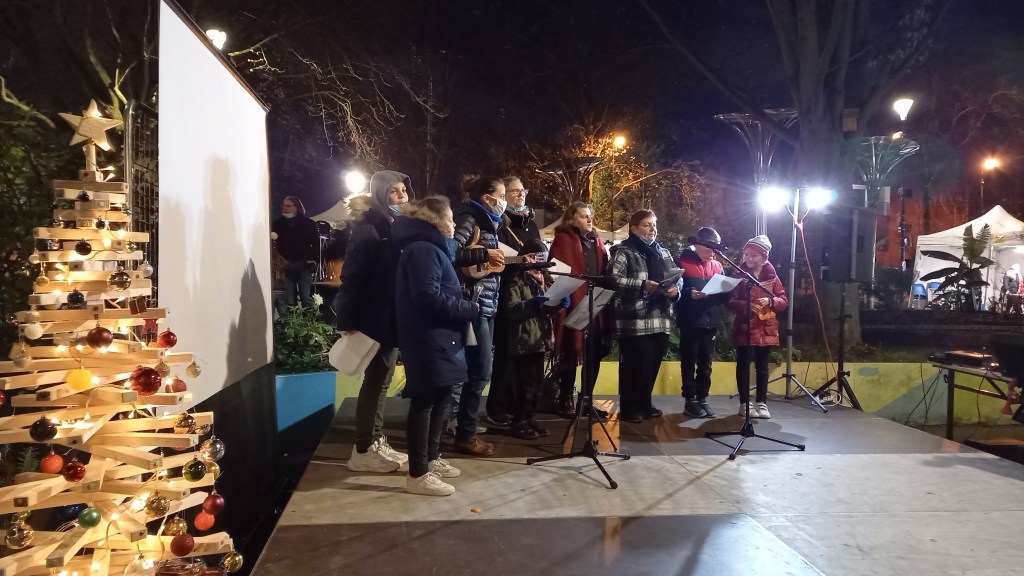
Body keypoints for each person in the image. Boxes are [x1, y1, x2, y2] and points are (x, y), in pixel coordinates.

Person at [393, 196, 480, 496]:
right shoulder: (423, 250)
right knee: (425, 403)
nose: (454, 224)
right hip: (428, 337)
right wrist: (467, 308)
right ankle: (418, 473)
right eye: (450, 219)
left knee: (441, 398)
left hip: (441, 337)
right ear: (435, 219)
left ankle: (431, 458)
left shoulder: (431, 249)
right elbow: (427, 297)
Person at [336, 171, 412, 472]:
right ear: (381, 194)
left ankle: (375, 440)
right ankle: (364, 448)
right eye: (395, 191)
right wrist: (347, 319)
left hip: (389, 317)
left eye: (404, 190)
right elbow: (352, 276)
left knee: (383, 379)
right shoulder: (369, 228)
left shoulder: (393, 225)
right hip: (374, 318)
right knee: (376, 380)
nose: (402, 196)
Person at [450, 177, 507, 456]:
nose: (504, 201)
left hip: (486, 303)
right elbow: (450, 251)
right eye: (502, 195)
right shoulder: (470, 218)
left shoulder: (489, 222)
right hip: (473, 304)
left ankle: (464, 429)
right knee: (480, 371)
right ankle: (465, 434)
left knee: (479, 370)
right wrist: (485, 253)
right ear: (487, 198)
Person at [607, 209, 681, 423]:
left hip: (660, 317)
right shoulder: (624, 251)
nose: (653, 229)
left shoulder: (663, 252)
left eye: (654, 225)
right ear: (634, 228)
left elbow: (677, 276)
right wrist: (642, 285)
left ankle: (644, 404)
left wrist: (676, 289)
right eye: (647, 225)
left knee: (651, 365)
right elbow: (613, 279)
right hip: (635, 319)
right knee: (635, 366)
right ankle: (630, 408)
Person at [487, 176, 543, 426]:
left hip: (529, 292)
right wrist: (519, 261)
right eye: (514, 191)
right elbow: (495, 258)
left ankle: (519, 407)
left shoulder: (531, 224)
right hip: (507, 292)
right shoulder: (499, 224)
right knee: (505, 354)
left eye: (523, 190)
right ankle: (498, 406)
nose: (521, 194)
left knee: (525, 358)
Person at [549, 201, 613, 419]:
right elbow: (558, 271)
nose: (589, 219)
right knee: (570, 349)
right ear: (572, 218)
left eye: (590, 216)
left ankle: (586, 399)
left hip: (596, 304)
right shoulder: (563, 239)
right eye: (584, 216)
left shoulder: (597, 241)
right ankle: (565, 398)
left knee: (594, 352)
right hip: (574, 302)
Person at [500, 237, 560, 439]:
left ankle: (530, 417)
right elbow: (511, 310)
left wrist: (559, 305)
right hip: (524, 339)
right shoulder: (517, 279)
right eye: (535, 256)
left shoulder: (544, 278)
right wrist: (532, 303)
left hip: (541, 338)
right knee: (525, 384)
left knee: (537, 384)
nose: (539, 260)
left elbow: (548, 308)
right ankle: (519, 421)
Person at [728, 235, 788, 419]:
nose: (749, 258)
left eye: (754, 255)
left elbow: (783, 300)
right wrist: (748, 306)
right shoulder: (739, 276)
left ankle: (762, 402)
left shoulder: (773, 277)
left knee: (762, 367)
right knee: (743, 366)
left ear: (764, 257)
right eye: (746, 254)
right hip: (745, 326)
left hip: (766, 327)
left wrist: (770, 300)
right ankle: (745, 404)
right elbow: (730, 301)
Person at [676, 227, 731, 418]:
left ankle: (702, 398)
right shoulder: (681, 262)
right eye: (709, 248)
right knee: (689, 362)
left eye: (715, 248)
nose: (712, 252)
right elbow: (673, 290)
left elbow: (724, 295)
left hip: (711, 320)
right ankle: (690, 400)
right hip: (690, 320)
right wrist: (688, 294)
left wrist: (729, 289)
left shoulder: (717, 266)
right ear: (698, 245)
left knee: (706, 363)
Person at [271, 196, 320, 308]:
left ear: (297, 207)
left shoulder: (308, 223)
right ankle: (292, 318)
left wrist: (309, 260)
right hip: (286, 265)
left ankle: (307, 318)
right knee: (289, 300)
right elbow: (275, 245)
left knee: (305, 298)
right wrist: (279, 260)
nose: (285, 208)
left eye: (289, 206)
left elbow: (315, 244)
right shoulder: (278, 224)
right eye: (284, 206)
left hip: (304, 265)